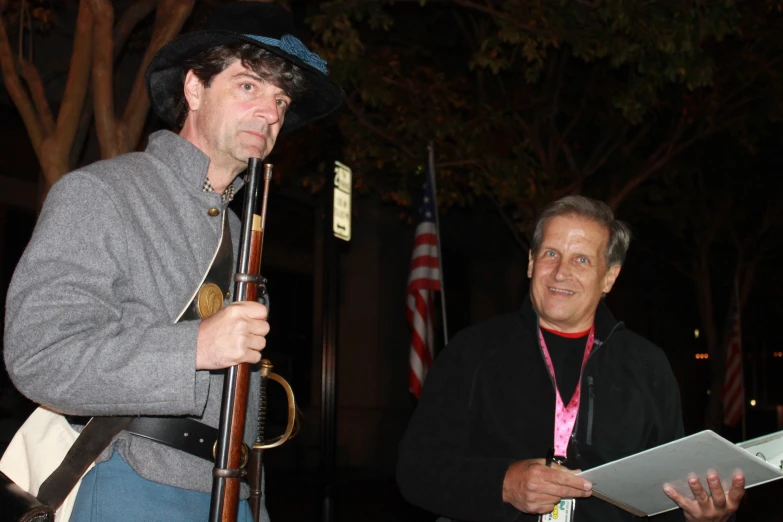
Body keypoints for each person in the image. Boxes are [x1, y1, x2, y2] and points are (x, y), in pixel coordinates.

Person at [2, 2, 343, 521]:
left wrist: (256, 505)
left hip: (234, 495)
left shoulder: (237, 228)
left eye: (281, 99)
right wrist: (195, 347)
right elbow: (40, 354)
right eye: (248, 86)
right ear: (193, 89)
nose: (271, 113)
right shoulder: (101, 193)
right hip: (131, 486)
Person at [396, 195, 745, 522]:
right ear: (531, 262)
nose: (561, 271)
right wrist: (503, 483)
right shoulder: (472, 351)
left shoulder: (647, 366)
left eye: (581, 259)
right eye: (550, 254)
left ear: (609, 276)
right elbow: (415, 471)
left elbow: (664, 497)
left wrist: (700, 515)